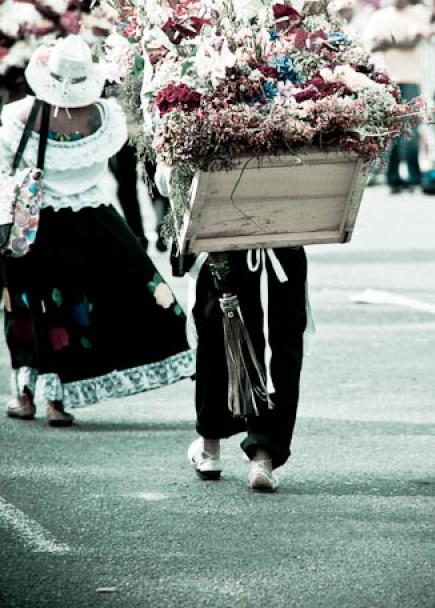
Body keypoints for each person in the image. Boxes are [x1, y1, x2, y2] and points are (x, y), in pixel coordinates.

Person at [1, 36, 194, 426]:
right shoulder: (105, 116)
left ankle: (27, 393)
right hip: (88, 221)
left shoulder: (20, 116)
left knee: (30, 308)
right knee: (74, 308)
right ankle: (56, 397)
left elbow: (5, 172)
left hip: (34, 226)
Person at [180, 247, 309, 492]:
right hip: (282, 251)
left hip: (227, 255)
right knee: (281, 347)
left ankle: (209, 449)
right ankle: (263, 458)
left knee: (218, 346)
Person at [362, 0, 430, 192]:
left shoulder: (417, 13)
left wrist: (389, 41)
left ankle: (413, 175)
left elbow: (413, 41)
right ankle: (392, 177)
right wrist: (395, 41)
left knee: (410, 129)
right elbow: (372, 43)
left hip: (410, 77)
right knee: (392, 130)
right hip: (388, 78)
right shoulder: (380, 16)